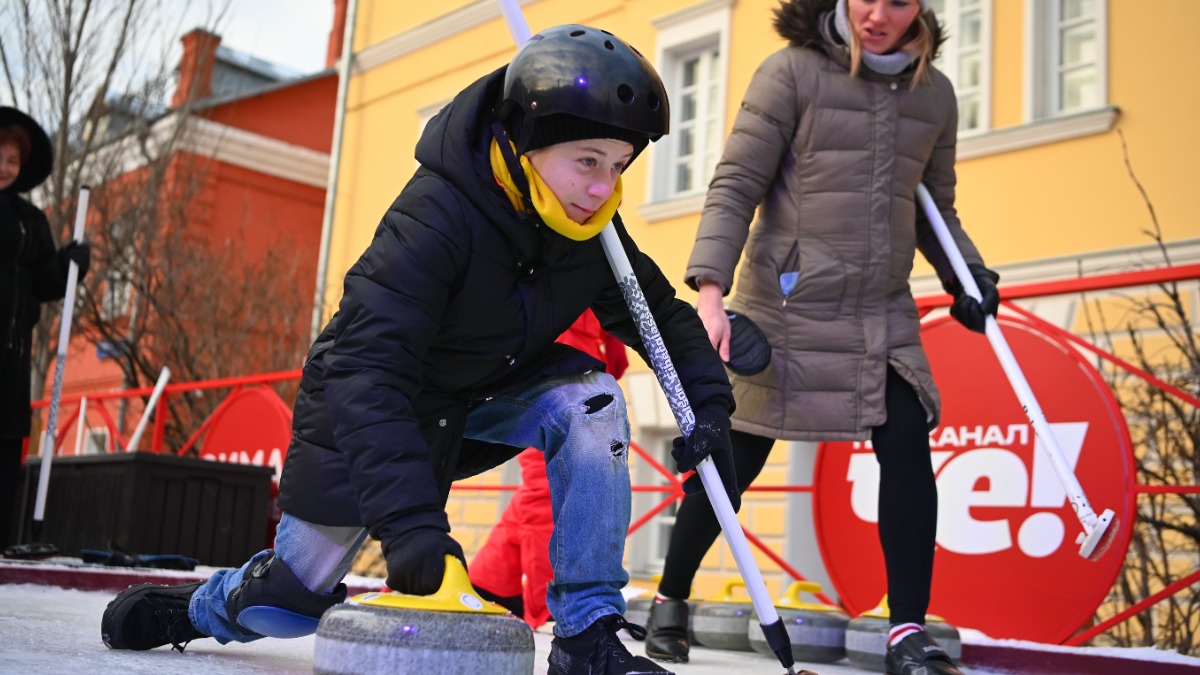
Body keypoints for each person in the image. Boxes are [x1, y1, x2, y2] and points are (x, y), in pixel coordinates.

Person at [99, 24, 739, 675]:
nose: (604, 187)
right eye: (587, 161)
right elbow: (365, 369)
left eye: (619, 165)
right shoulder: (435, 216)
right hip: (371, 405)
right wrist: (410, 526)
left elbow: (660, 318)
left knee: (592, 401)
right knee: (292, 599)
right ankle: (198, 609)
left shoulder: (584, 221)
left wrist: (711, 407)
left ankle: (586, 634)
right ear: (525, 141)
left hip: (477, 396)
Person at [643, 2, 999, 675]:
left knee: (908, 439)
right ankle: (671, 596)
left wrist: (968, 275)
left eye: (897, 1)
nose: (877, 14)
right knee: (732, 460)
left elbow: (935, 207)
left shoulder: (935, 95)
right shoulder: (791, 73)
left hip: (879, 311)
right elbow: (736, 183)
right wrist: (711, 292)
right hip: (784, 302)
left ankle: (906, 631)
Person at [470, 309, 629, 630]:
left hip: (560, 369)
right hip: (545, 374)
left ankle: (491, 584)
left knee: (544, 491)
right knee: (548, 492)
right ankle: (548, 609)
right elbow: (617, 350)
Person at [1, 106, 90, 551]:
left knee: (5, 449)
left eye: (12, 160)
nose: (3, 167)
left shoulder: (29, 220)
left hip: (12, 355)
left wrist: (70, 262)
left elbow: (45, 283)